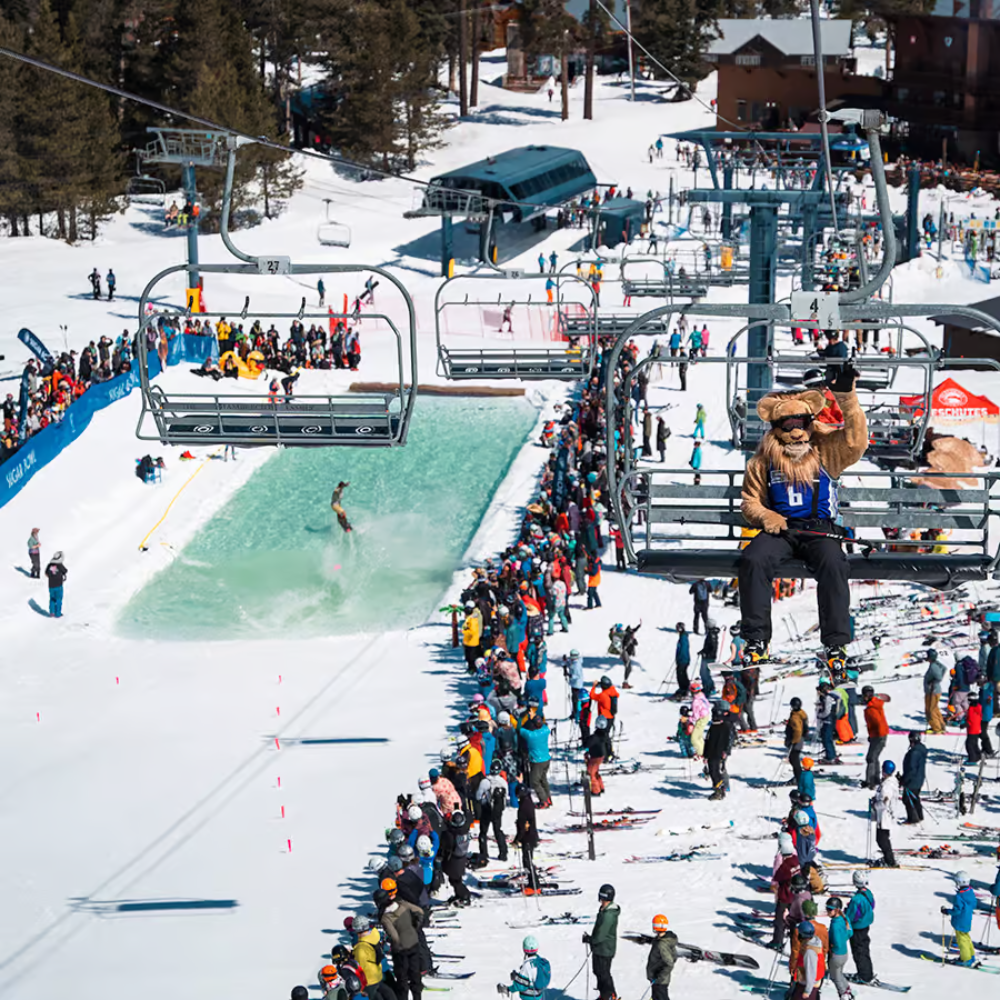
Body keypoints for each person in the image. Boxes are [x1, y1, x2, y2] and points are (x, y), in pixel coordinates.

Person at [379, 880, 424, 1000]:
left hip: (401, 951)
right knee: (415, 974)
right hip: (413, 942)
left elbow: (394, 936)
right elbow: (419, 911)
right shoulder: (402, 904)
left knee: (402, 979)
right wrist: (414, 927)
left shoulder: (385, 917)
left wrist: (396, 945)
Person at [583, 884, 619, 1000]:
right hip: (601, 948)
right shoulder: (605, 911)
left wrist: (590, 940)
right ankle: (604, 995)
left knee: (603, 973)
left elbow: (601, 934)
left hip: (604, 949)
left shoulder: (608, 915)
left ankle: (610, 995)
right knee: (598, 971)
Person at [352, 914, 396, 1000]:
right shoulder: (374, 936)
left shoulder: (361, 948)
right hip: (378, 976)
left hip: (368, 981)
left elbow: (361, 967)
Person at [845, 871, 875, 984]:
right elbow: (872, 905)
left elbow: (851, 916)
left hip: (857, 928)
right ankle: (867, 973)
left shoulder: (856, 899)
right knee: (864, 949)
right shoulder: (868, 893)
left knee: (859, 951)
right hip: (866, 924)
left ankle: (864, 975)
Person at [942, 871, 977, 967]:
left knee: (962, 940)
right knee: (966, 938)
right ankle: (971, 956)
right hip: (967, 919)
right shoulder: (970, 892)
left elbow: (957, 911)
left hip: (960, 921)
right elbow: (974, 904)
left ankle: (966, 959)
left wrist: (947, 911)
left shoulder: (959, 896)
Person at [499, 935, 551, 1000]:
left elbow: (520, 985)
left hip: (529, 998)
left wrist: (509, 989)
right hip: (539, 996)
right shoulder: (540, 962)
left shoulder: (527, 966)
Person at [824, 897, 853, 1000]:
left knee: (835, 977)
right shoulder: (844, 918)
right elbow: (850, 932)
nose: (827, 911)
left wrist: (829, 943)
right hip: (844, 953)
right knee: (839, 974)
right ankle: (847, 990)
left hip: (836, 955)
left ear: (836, 910)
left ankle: (844, 994)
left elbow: (835, 941)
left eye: (829, 909)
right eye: (827, 908)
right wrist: (843, 937)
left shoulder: (835, 924)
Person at [861, 686, 891, 789]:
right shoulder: (873, 705)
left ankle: (870, 781)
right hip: (878, 735)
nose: (863, 698)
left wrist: (876, 735)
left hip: (879, 735)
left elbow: (878, 723)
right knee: (874, 757)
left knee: (871, 758)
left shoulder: (872, 708)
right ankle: (875, 778)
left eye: (864, 696)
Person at [513, 782, 540, 892]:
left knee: (527, 861)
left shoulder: (524, 806)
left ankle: (534, 885)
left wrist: (517, 839)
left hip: (528, 837)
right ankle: (532, 882)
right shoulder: (527, 802)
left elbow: (523, 826)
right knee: (527, 861)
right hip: (530, 836)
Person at [790, 921, 826, 1000]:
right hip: (805, 982)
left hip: (808, 985)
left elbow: (811, 971)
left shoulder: (809, 952)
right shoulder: (814, 941)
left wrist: (807, 991)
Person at [872, 760, 898, 867]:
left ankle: (890, 860)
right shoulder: (887, 782)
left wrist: (875, 805)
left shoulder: (888, 785)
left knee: (882, 839)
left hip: (884, 815)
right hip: (882, 815)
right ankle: (888, 858)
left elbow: (885, 801)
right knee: (881, 838)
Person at [646, 914, 677, 1000]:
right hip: (656, 978)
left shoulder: (662, 944)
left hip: (659, 980)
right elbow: (674, 956)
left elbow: (670, 963)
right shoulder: (663, 940)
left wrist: (660, 976)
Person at [900, 731, 927, 824]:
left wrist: (904, 780)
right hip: (919, 779)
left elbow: (911, 768)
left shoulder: (914, 753)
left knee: (907, 799)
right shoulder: (920, 750)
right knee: (915, 797)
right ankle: (919, 815)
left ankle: (913, 819)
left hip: (913, 780)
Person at [705, 704, 731, 800]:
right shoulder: (714, 727)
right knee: (713, 771)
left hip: (717, 753)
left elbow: (726, 741)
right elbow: (708, 741)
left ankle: (719, 791)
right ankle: (719, 789)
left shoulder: (724, 727)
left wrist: (725, 751)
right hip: (712, 753)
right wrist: (705, 755)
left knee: (715, 772)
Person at [585, 714, 611, 794]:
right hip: (601, 756)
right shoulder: (605, 735)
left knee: (591, 773)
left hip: (596, 756)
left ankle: (596, 790)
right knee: (595, 771)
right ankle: (601, 787)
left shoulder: (595, 737)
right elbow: (608, 745)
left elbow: (587, 744)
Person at [923, 650, 947, 734]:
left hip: (932, 691)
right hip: (933, 690)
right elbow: (944, 668)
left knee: (930, 710)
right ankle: (941, 725)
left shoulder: (934, 666)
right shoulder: (936, 664)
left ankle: (936, 728)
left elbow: (939, 677)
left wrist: (933, 681)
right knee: (935, 708)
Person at [786, 696, 809, 782]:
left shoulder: (795, 717)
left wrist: (793, 741)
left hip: (797, 740)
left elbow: (797, 730)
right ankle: (798, 776)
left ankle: (798, 778)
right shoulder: (801, 713)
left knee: (794, 759)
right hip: (800, 739)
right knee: (794, 759)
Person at [45, 550, 67, 618]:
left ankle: (52, 612)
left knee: (52, 598)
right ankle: (58, 613)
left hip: (51, 586)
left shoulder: (49, 565)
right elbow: (65, 571)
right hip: (58, 585)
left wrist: (51, 576)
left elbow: (46, 573)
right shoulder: (60, 565)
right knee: (58, 599)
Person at [674, 623, 691, 696]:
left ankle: (684, 688)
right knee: (681, 673)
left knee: (681, 674)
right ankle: (684, 688)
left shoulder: (683, 637)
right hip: (682, 659)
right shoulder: (682, 636)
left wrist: (680, 658)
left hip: (683, 659)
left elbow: (683, 649)